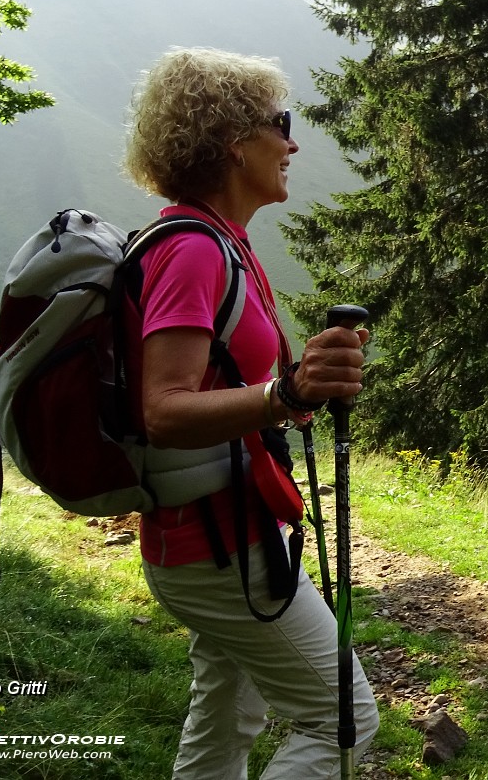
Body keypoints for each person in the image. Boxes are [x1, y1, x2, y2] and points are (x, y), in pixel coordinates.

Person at [123, 46, 379, 779]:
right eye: (281, 123)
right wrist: (283, 395)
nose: (293, 142)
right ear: (235, 143)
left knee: (225, 716)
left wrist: (294, 388)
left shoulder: (222, 241)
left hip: (214, 531)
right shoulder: (195, 251)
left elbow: (229, 388)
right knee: (345, 720)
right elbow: (164, 410)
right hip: (215, 543)